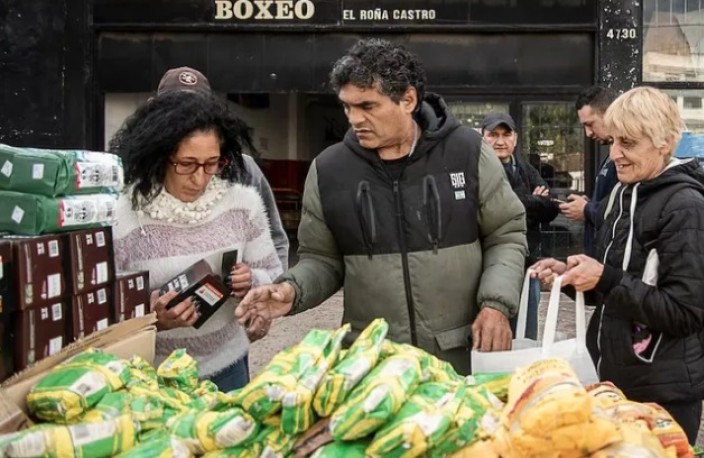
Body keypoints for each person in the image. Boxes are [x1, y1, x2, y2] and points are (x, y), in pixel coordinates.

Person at [235, 38, 527, 374]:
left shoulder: (468, 152)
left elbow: (506, 234)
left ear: (407, 99)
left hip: (458, 358)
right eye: (347, 107)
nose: (354, 118)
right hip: (373, 366)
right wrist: (291, 289)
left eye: (367, 106)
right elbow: (323, 260)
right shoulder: (329, 170)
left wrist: (496, 305)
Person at [532, 87, 704, 445]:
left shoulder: (687, 208)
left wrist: (604, 277)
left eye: (629, 143)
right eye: (614, 141)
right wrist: (571, 277)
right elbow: (615, 289)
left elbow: (684, 311)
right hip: (617, 383)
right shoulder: (623, 193)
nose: (615, 154)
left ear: (664, 142)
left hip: (663, 395)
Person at [111, 91, 284, 392]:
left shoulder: (244, 204)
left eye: (212, 163)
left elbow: (272, 272)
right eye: (187, 164)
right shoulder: (124, 215)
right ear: (159, 156)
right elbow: (105, 307)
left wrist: (251, 281)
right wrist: (152, 318)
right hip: (153, 376)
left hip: (228, 368)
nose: (200, 178)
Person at [156, 66, 291, 271]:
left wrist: (270, 288)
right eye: (174, 108)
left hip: (232, 299)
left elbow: (273, 238)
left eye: (195, 108)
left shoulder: (243, 168)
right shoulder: (138, 171)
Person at [481, 112, 558, 266]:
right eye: (493, 135)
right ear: (482, 139)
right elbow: (497, 210)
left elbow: (552, 205)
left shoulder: (525, 168)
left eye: (506, 135)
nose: (500, 142)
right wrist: (536, 201)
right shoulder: (477, 170)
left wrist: (523, 203)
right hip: (492, 258)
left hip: (529, 257)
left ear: (515, 139)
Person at [559, 86, 618, 256]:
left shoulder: (626, 161)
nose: (588, 133)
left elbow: (625, 212)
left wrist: (587, 209)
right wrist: (590, 204)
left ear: (609, 114)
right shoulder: (610, 157)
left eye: (590, 124)